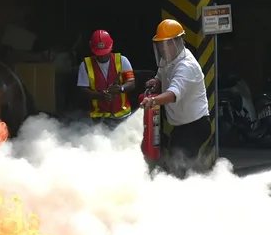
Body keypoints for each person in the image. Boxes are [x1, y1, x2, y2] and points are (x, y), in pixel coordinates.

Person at [143, 19, 211, 178]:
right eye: (160, 44)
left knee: (179, 170)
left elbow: (173, 94)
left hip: (194, 126)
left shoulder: (186, 66)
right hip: (181, 127)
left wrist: (153, 101)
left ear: (178, 41)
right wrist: (157, 82)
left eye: (167, 43)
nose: (162, 48)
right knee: (176, 167)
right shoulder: (167, 59)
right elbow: (162, 76)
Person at [76, 29, 136, 124]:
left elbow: (132, 83)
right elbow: (82, 91)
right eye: (99, 54)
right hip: (99, 117)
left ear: (111, 47)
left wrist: (121, 89)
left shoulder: (122, 60)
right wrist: (100, 95)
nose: (103, 56)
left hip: (122, 115)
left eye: (105, 53)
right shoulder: (85, 65)